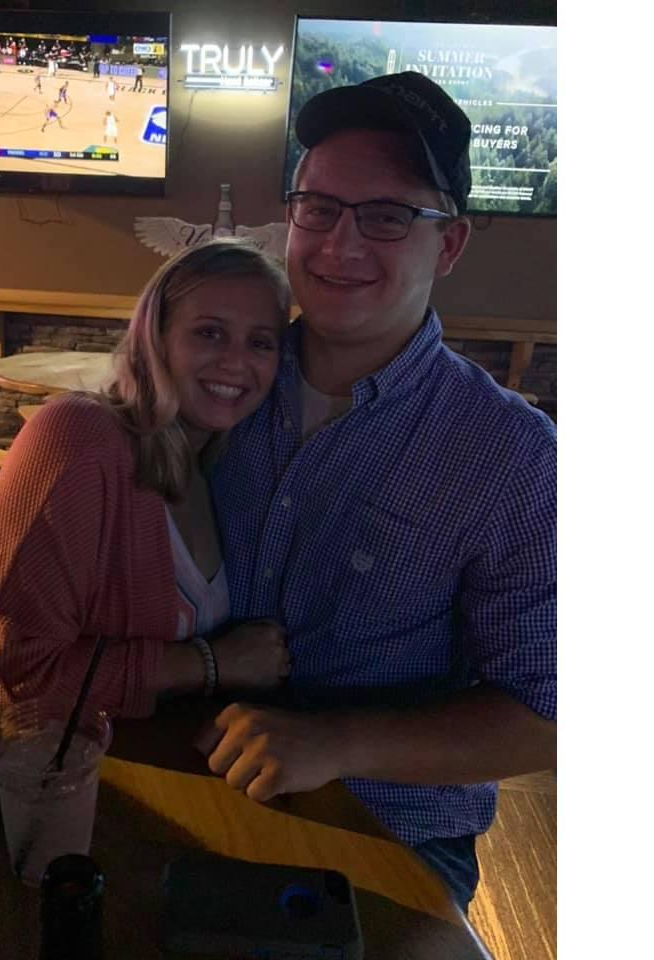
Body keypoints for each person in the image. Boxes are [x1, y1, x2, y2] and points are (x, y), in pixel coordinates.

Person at [202, 73, 557, 911]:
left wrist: (336, 743)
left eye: (388, 215)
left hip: (389, 834)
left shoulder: (516, 458)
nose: (340, 244)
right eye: (319, 208)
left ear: (450, 243)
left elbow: (547, 717)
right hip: (188, 776)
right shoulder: (214, 389)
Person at [0, 239, 293, 723]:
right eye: (209, 333)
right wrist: (209, 663)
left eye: (261, 342)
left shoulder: (224, 467)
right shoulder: (77, 434)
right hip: (77, 765)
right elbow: (20, 671)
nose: (236, 361)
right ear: (155, 339)